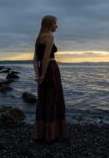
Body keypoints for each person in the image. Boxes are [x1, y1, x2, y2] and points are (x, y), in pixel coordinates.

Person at [32, 15, 68, 144]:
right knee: (53, 98)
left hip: (43, 69)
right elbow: (46, 58)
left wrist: (38, 74)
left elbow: (35, 59)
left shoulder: (39, 38)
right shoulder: (49, 37)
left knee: (43, 99)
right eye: (55, 24)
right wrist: (43, 75)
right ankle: (51, 135)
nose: (56, 26)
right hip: (51, 69)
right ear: (50, 24)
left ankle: (41, 134)